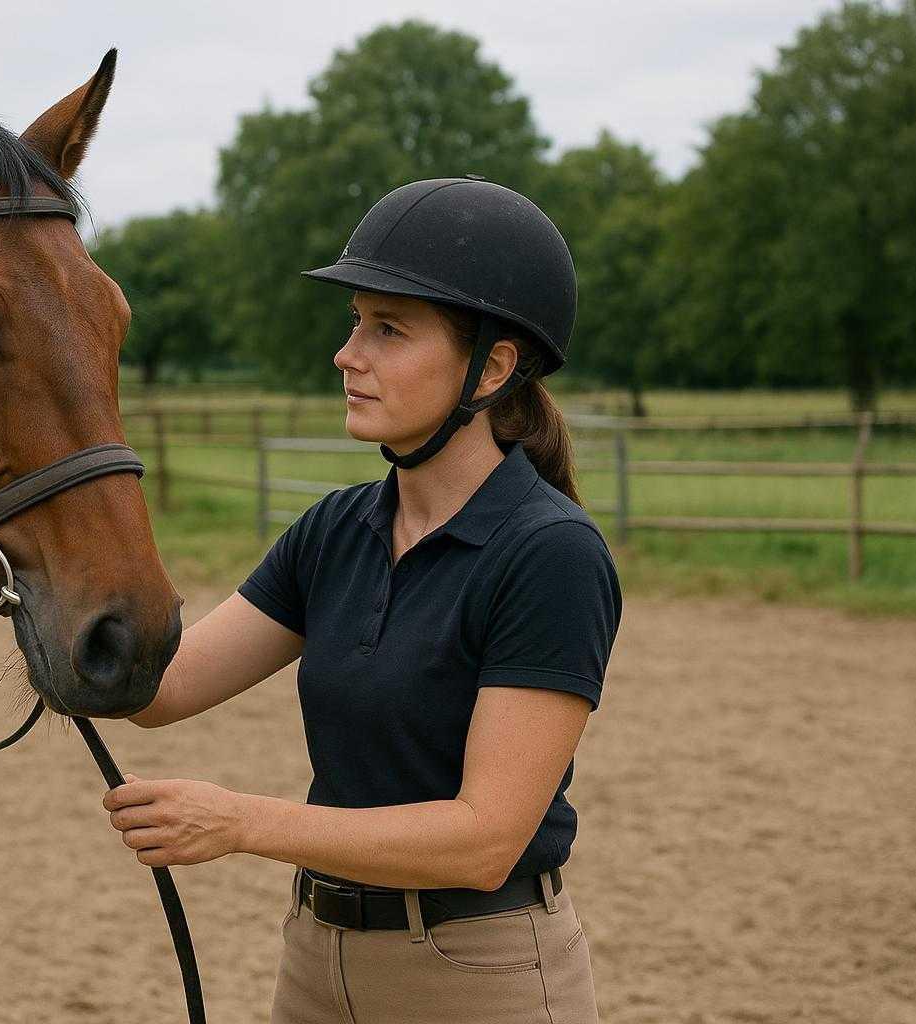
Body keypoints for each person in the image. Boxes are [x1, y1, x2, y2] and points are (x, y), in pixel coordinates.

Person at [103, 177, 622, 1023]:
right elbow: (162, 690)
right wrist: (31, 568)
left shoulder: (551, 554)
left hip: (477, 976)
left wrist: (239, 822)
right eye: (355, 322)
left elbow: (486, 839)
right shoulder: (335, 531)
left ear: (491, 368)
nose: (348, 355)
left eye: (389, 328)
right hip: (316, 962)